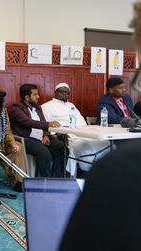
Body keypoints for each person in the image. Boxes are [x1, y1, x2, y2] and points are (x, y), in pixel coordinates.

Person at [60, 2, 141, 250]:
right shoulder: (104, 101)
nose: (124, 90)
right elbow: (115, 118)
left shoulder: (120, 173)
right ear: (110, 89)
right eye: (119, 87)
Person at [42, 82, 110, 176]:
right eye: (62, 91)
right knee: (84, 148)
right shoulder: (47, 106)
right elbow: (45, 124)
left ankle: (98, 172)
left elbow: (81, 121)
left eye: (68, 92)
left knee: (105, 143)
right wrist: (54, 134)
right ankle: (83, 172)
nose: (65, 94)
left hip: (79, 133)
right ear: (56, 92)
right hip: (63, 135)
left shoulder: (71, 105)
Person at [9, 83, 65, 177]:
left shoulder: (38, 108)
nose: (38, 97)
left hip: (41, 138)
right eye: (35, 94)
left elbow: (43, 122)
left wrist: (46, 135)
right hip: (27, 139)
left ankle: (56, 178)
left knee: (61, 147)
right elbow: (28, 122)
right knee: (44, 153)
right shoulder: (15, 109)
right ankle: (45, 181)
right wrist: (48, 124)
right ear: (27, 97)